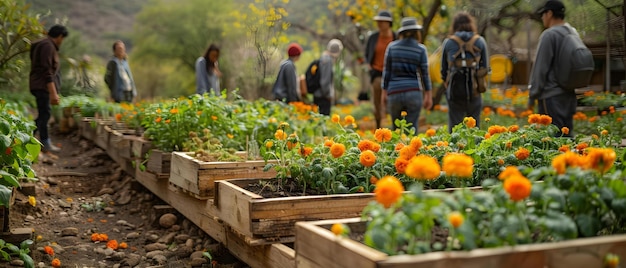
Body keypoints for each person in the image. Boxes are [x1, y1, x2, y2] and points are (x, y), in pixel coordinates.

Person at [528, 0, 577, 137]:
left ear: (549, 13)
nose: (542, 18)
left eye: (543, 14)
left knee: (552, 140)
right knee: (566, 138)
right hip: (569, 95)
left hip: (550, 97)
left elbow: (540, 69)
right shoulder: (573, 33)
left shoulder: (549, 35)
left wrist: (532, 96)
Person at [381, 17, 433, 132]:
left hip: (394, 92)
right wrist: (428, 95)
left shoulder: (392, 47)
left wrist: (384, 92)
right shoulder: (421, 49)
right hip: (413, 92)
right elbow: (425, 74)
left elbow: (387, 72)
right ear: (416, 32)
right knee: (412, 129)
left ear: (402, 32)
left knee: (396, 130)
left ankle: (397, 149)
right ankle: (410, 149)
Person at [440, 12, 489, 132]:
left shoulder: (449, 42)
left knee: (454, 127)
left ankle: (454, 150)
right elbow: (485, 67)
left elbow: (443, 69)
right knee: (474, 128)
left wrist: (446, 83)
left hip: (454, 91)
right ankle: (475, 149)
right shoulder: (480, 41)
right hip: (474, 91)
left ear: (454, 25)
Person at [30, 24, 68, 153]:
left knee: (43, 114)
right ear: (59, 36)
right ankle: (42, 141)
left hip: (39, 85)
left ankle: (31, 138)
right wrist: (53, 92)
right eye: (62, 38)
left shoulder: (43, 44)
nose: (61, 42)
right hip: (43, 86)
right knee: (44, 114)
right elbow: (47, 71)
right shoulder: (47, 46)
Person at [365, 10, 396, 129]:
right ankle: (379, 124)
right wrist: (369, 66)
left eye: (383, 22)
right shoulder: (373, 38)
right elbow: (368, 54)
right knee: (377, 98)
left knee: (392, 99)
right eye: (378, 22)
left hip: (393, 73)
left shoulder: (395, 36)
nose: (380, 24)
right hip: (377, 72)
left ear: (389, 23)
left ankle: (395, 125)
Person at [313, 39, 343, 116]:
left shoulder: (325, 58)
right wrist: (328, 95)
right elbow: (325, 81)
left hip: (320, 95)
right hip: (323, 97)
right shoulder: (327, 60)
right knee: (323, 119)